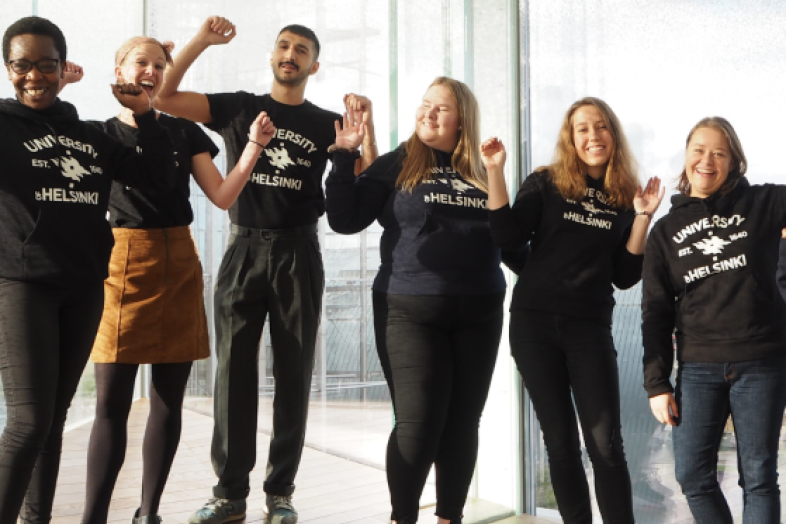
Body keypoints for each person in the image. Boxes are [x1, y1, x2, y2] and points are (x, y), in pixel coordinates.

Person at [153, 16, 377, 524]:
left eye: (300, 49)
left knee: (294, 375)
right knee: (232, 372)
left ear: (313, 65)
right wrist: (202, 42)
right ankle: (230, 494)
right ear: (273, 56)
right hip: (243, 250)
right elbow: (164, 97)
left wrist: (368, 125)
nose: (290, 53)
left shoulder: (326, 123)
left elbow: (367, 183)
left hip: (300, 253)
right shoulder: (238, 106)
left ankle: (280, 493)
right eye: (283, 45)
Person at [57, 37, 276, 524]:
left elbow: (220, 196)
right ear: (119, 68)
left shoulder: (183, 133)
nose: (151, 71)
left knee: (167, 400)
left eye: (160, 65)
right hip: (119, 261)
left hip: (178, 258)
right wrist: (61, 85)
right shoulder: (97, 132)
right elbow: (55, 143)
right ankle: (93, 517)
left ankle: (148, 514)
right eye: (142, 62)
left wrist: (255, 149)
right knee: (111, 402)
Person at [0, 16, 176, 524]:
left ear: (63, 67)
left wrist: (145, 114)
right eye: (22, 65)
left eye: (46, 65)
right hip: (22, 286)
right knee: (27, 423)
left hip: (82, 288)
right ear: (8, 68)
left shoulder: (92, 136)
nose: (34, 75)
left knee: (52, 422)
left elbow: (161, 178)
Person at [327, 77, 509, 524]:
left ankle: (450, 517)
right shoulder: (398, 162)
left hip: (480, 308)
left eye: (441, 108)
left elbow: (513, 240)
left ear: (461, 118)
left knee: (463, 423)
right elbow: (345, 219)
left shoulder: (484, 169)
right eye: (425, 104)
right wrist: (344, 155)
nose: (428, 113)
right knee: (419, 423)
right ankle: (402, 518)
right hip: (409, 306)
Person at [487, 97, 664, 524]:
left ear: (613, 134)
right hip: (533, 325)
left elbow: (624, 275)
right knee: (560, 443)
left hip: (589, 327)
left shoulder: (624, 197)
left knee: (606, 444)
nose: (592, 136)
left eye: (600, 127)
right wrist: (495, 171)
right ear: (571, 138)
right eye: (582, 129)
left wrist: (642, 218)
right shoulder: (546, 182)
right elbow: (507, 236)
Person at [642, 117, 786, 524]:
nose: (707, 160)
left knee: (758, 477)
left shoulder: (763, 203)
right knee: (691, 474)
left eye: (718, 153)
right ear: (686, 158)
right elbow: (655, 312)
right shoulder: (665, 232)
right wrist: (656, 382)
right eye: (699, 151)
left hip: (761, 361)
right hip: (698, 366)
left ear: (734, 162)